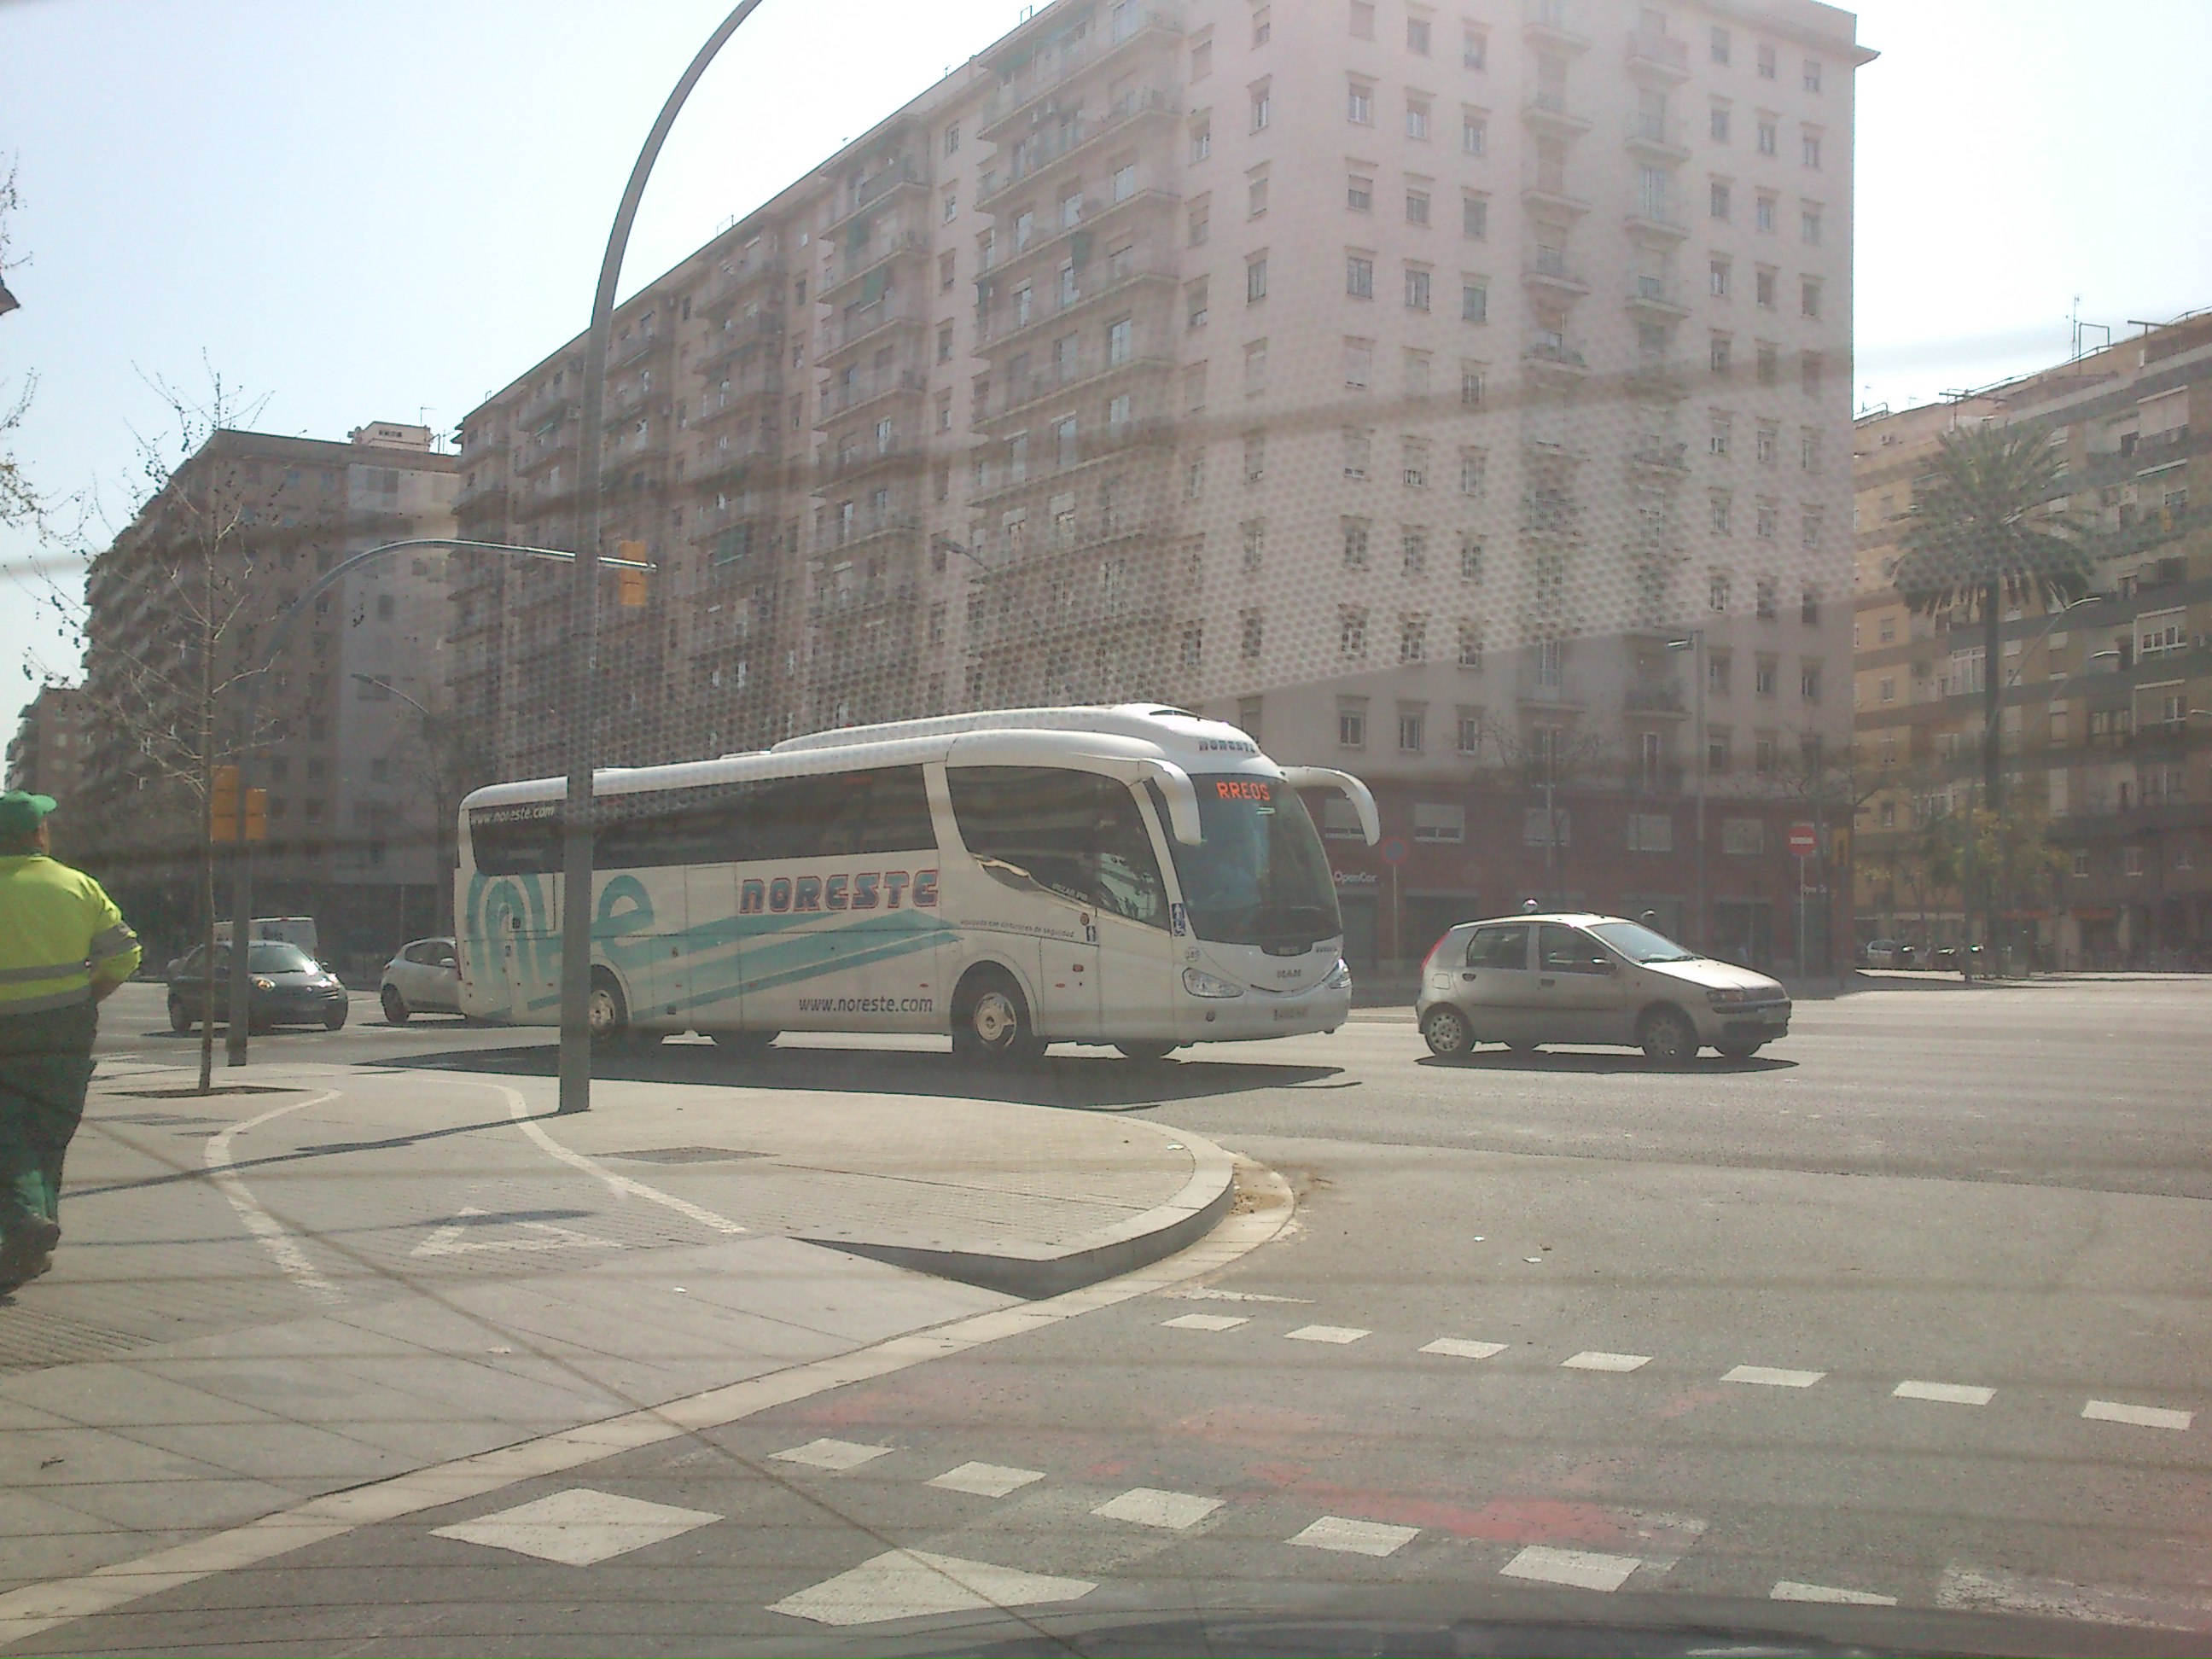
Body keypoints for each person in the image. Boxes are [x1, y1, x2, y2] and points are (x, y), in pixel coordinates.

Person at [0, 791, 141, 1292]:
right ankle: (33, 1240)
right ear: (39, 834)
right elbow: (125, 956)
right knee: (49, 1136)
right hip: (65, 1029)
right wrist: (85, 999)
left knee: (7, 1135)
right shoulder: (77, 886)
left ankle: (23, 1227)